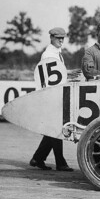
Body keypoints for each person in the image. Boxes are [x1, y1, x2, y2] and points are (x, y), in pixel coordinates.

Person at [29, 27, 72, 171]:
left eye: (63, 38)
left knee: (53, 129)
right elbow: (48, 78)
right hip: (51, 95)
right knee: (56, 128)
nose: (61, 40)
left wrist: (70, 74)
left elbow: (58, 74)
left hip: (56, 94)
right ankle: (60, 162)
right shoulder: (48, 54)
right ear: (51, 38)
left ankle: (38, 158)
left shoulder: (57, 53)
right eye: (58, 38)